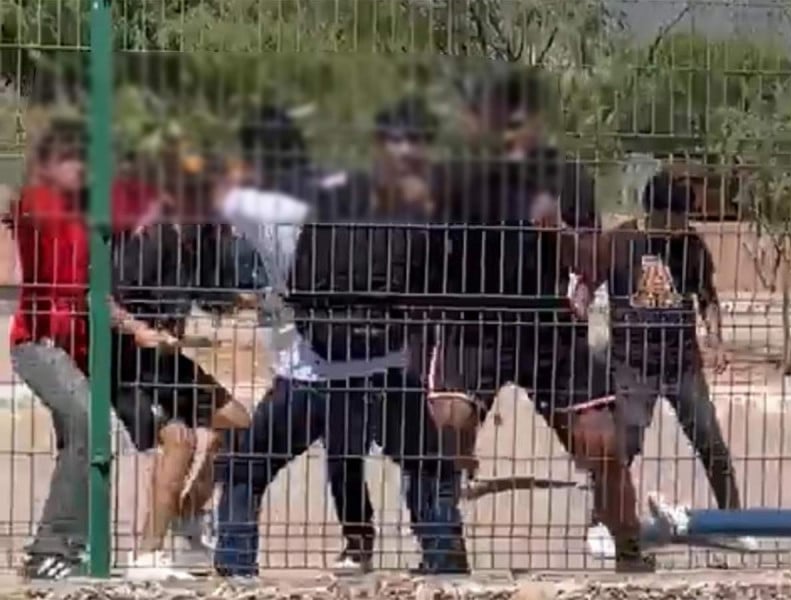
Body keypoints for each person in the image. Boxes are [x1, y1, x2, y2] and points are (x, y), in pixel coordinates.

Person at [213, 101, 469, 577]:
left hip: (309, 368)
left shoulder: (268, 207)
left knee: (246, 468)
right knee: (428, 466)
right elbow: (433, 282)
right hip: (386, 365)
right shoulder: (413, 207)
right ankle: (444, 564)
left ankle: (235, 568)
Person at [414, 66, 653, 572]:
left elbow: (593, 262)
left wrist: (558, 230)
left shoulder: (567, 177)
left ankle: (630, 549)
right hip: (474, 325)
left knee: (601, 442)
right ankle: (445, 552)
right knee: (448, 425)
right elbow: (422, 252)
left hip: (550, 330)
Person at [575, 172, 749, 556]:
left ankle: (734, 522)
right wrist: (579, 313)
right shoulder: (619, 241)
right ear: (652, 212)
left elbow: (707, 298)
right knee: (623, 445)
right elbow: (587, 284)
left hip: (682, 364)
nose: (679, 227)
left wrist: (716, 340)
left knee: (711, 442)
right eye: (673, 220)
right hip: (632, 365)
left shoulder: (691, 245)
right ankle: (602, 521)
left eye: (684, 220)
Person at [110, 155, 251, 580]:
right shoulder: (152, 239)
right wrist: (139, 330)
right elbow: (103, 298)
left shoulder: (204, 240)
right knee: (180, 441)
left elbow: (213, 298)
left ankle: (189, 515)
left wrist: (253, 302)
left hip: (168, 363)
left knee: (241, 423)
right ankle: (146, 556)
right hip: (127, 364)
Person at [9, 119, 92, 580]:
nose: (82, 166)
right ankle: (51, 548)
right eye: (72, 158)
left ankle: (72, 545)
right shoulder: (37, 200)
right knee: (89, 424)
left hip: (75, 347)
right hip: (37, 343)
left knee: (80, 439)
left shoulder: (88, 210)